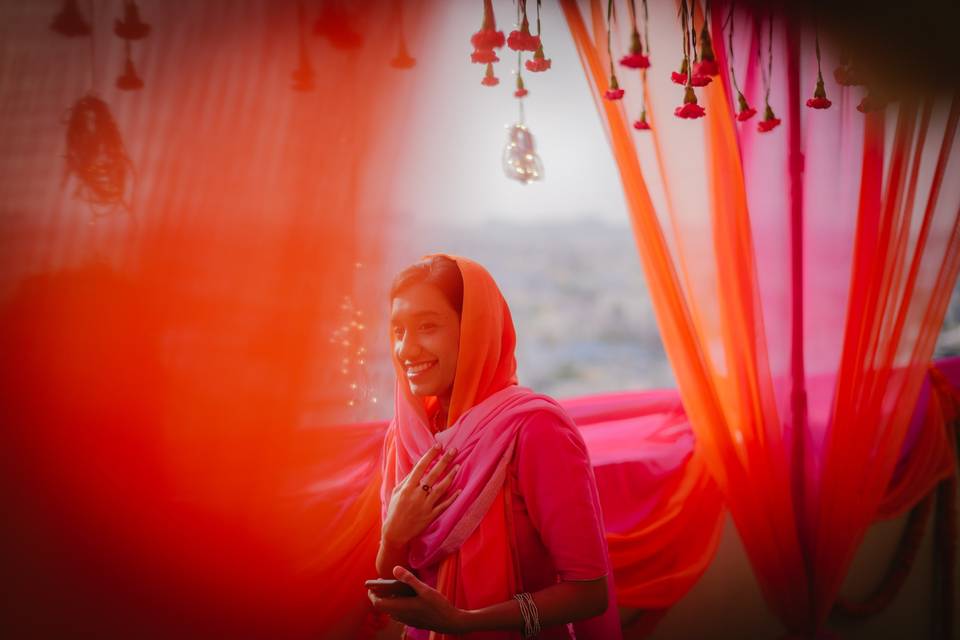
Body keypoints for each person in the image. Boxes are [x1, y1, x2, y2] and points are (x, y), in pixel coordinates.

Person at [369, 254, 622, 639]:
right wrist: (394, 536)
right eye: (398, 330)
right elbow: (393, 581)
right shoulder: (405, 437)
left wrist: (462, 623)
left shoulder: (535, 430)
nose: (406, 349)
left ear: (474, 329)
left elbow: (589, 594)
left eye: (427, 327)